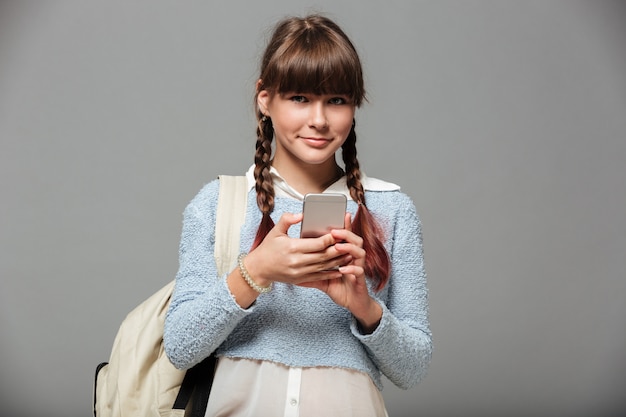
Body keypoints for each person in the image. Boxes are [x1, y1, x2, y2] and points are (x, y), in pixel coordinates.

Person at [163, 14, 431, 417]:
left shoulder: (391, 210)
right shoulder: (218, 203)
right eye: (300, 98)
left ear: (354, 106)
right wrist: (256, 271)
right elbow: (181, 346)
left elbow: (413, 369)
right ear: (265, 98)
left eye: (336, 100)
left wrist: (365, 308)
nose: (319, 120)